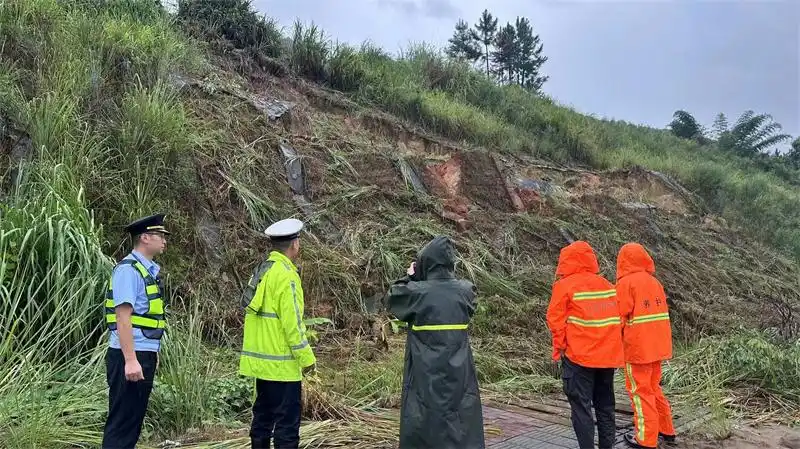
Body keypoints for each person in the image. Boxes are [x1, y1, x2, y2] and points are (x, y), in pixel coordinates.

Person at [384, 235, 485, 449]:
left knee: (424, 422)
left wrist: (411, 276)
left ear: (426, 263)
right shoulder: (466, 291)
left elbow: (392, 297)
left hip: (425, 374)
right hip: (459, 375)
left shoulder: (417, 293)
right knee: (460, 420)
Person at [239, 217, 317, 449]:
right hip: (283, 367)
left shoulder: (262, 271)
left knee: (262, 420)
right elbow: (292, 324)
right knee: (286, 428)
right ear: (295, 244)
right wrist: (307, 359)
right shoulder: (287, 276)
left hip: (261, 366)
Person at [546, 240, 624, 449]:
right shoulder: (608, 286)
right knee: (606, 407)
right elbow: (619, 320)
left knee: (581, 408)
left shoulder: (564, 286)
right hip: (607, 359)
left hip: (579, 359)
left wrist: (560, 349)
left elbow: (556, 321)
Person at [102, 213, 170, 449]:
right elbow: (123, 317)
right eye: (160, 235)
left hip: (142, 353)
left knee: (132, 421)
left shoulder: (146, 270)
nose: (164, 240)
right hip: (130, 356)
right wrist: (130, 360)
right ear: (144, 237)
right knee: (122, 423)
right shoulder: (128, 271)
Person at [616, 242, 676, 448]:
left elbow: (619, 317)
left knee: (640, 392)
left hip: (638, 349)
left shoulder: (626, 284)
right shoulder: (654, 282)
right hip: (658, 347)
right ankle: (666, 429)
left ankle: (646, 438)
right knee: (653, 388)